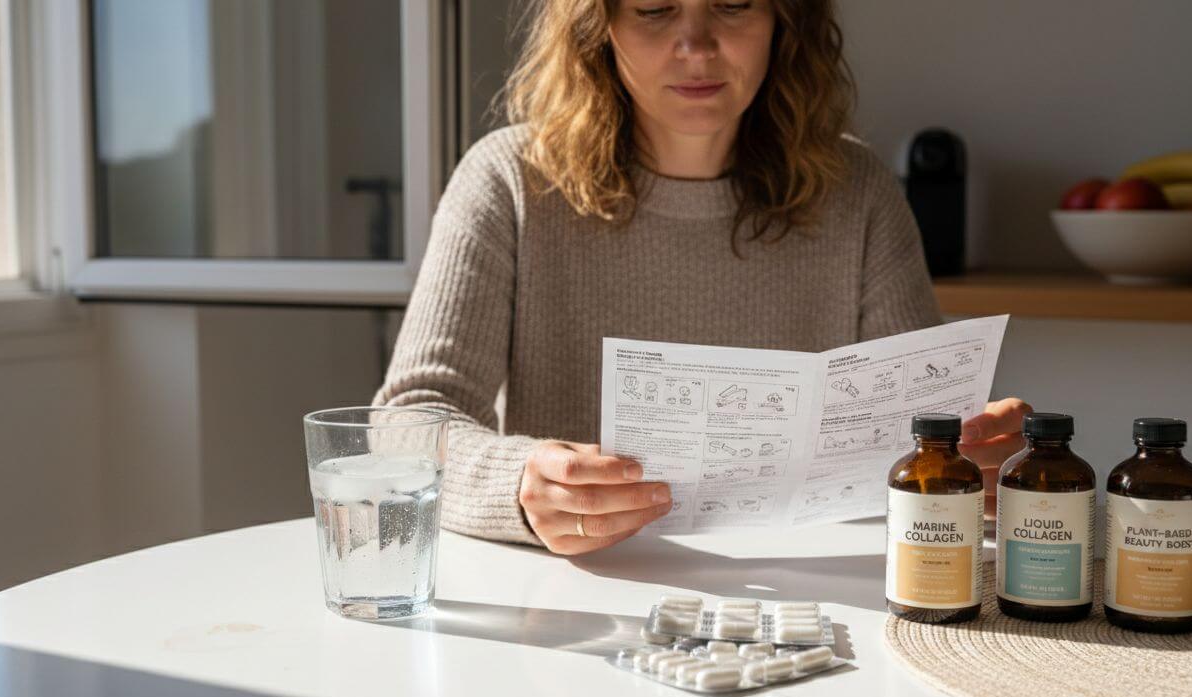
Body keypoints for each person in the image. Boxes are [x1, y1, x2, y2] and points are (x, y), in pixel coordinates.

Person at [373, 0, 1030, 554]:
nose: (697, 46)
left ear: (784, 19)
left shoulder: (857, 193)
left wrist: (976, 464)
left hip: (808, 600)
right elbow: (404, 424)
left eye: (733, 3)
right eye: (655, 9)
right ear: (597, 25)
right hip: (573, 604)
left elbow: (921, 435)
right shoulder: (509, 180)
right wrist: (517, 483)